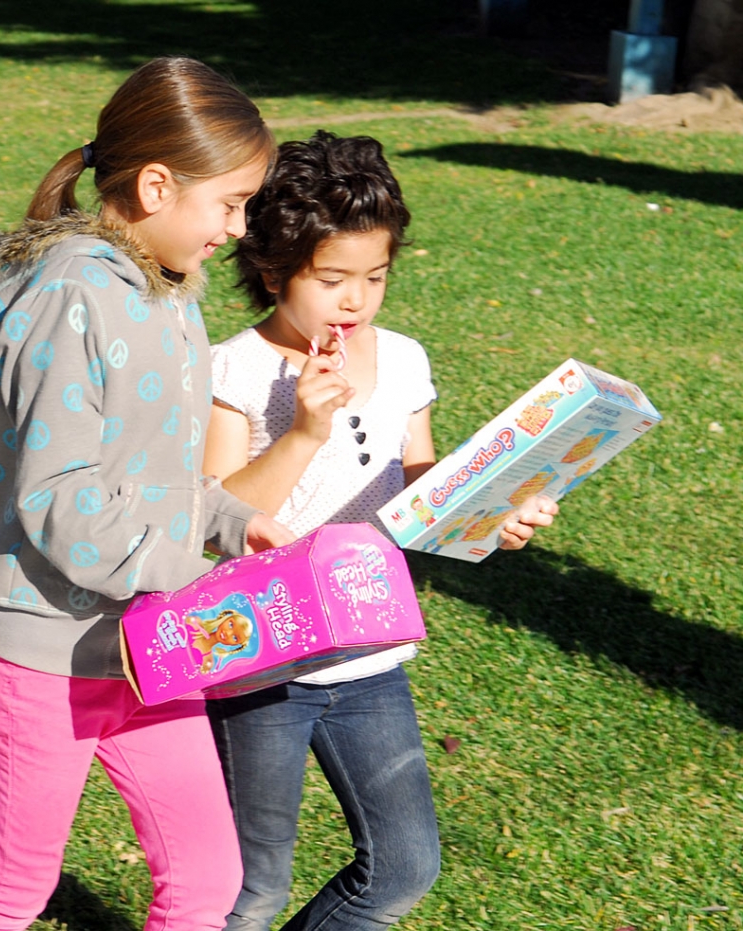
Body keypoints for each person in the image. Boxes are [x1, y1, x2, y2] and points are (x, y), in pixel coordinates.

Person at [0, 57, 294, 931]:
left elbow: (158, 476)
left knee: (209, 880)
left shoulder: (170, 296)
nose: (240, 229)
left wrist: (233, 525)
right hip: (44, 656)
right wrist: (182, 567)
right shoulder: (70, 296)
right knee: (16, 886)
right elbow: (57, 498)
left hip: (149, 648)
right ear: (158, 184)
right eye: (230, 203)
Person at [201, 130, 559, 930]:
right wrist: (301, 430)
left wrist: (493, 507)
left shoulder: (402, 360)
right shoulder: (234, 370)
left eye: (376, 277)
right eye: (331, 280)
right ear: (271, 272)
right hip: (260, 658)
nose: (356, 302)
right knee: (251, 887)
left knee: (403, 865)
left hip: (371, 651)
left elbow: (418, 481)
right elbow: (215, 516)